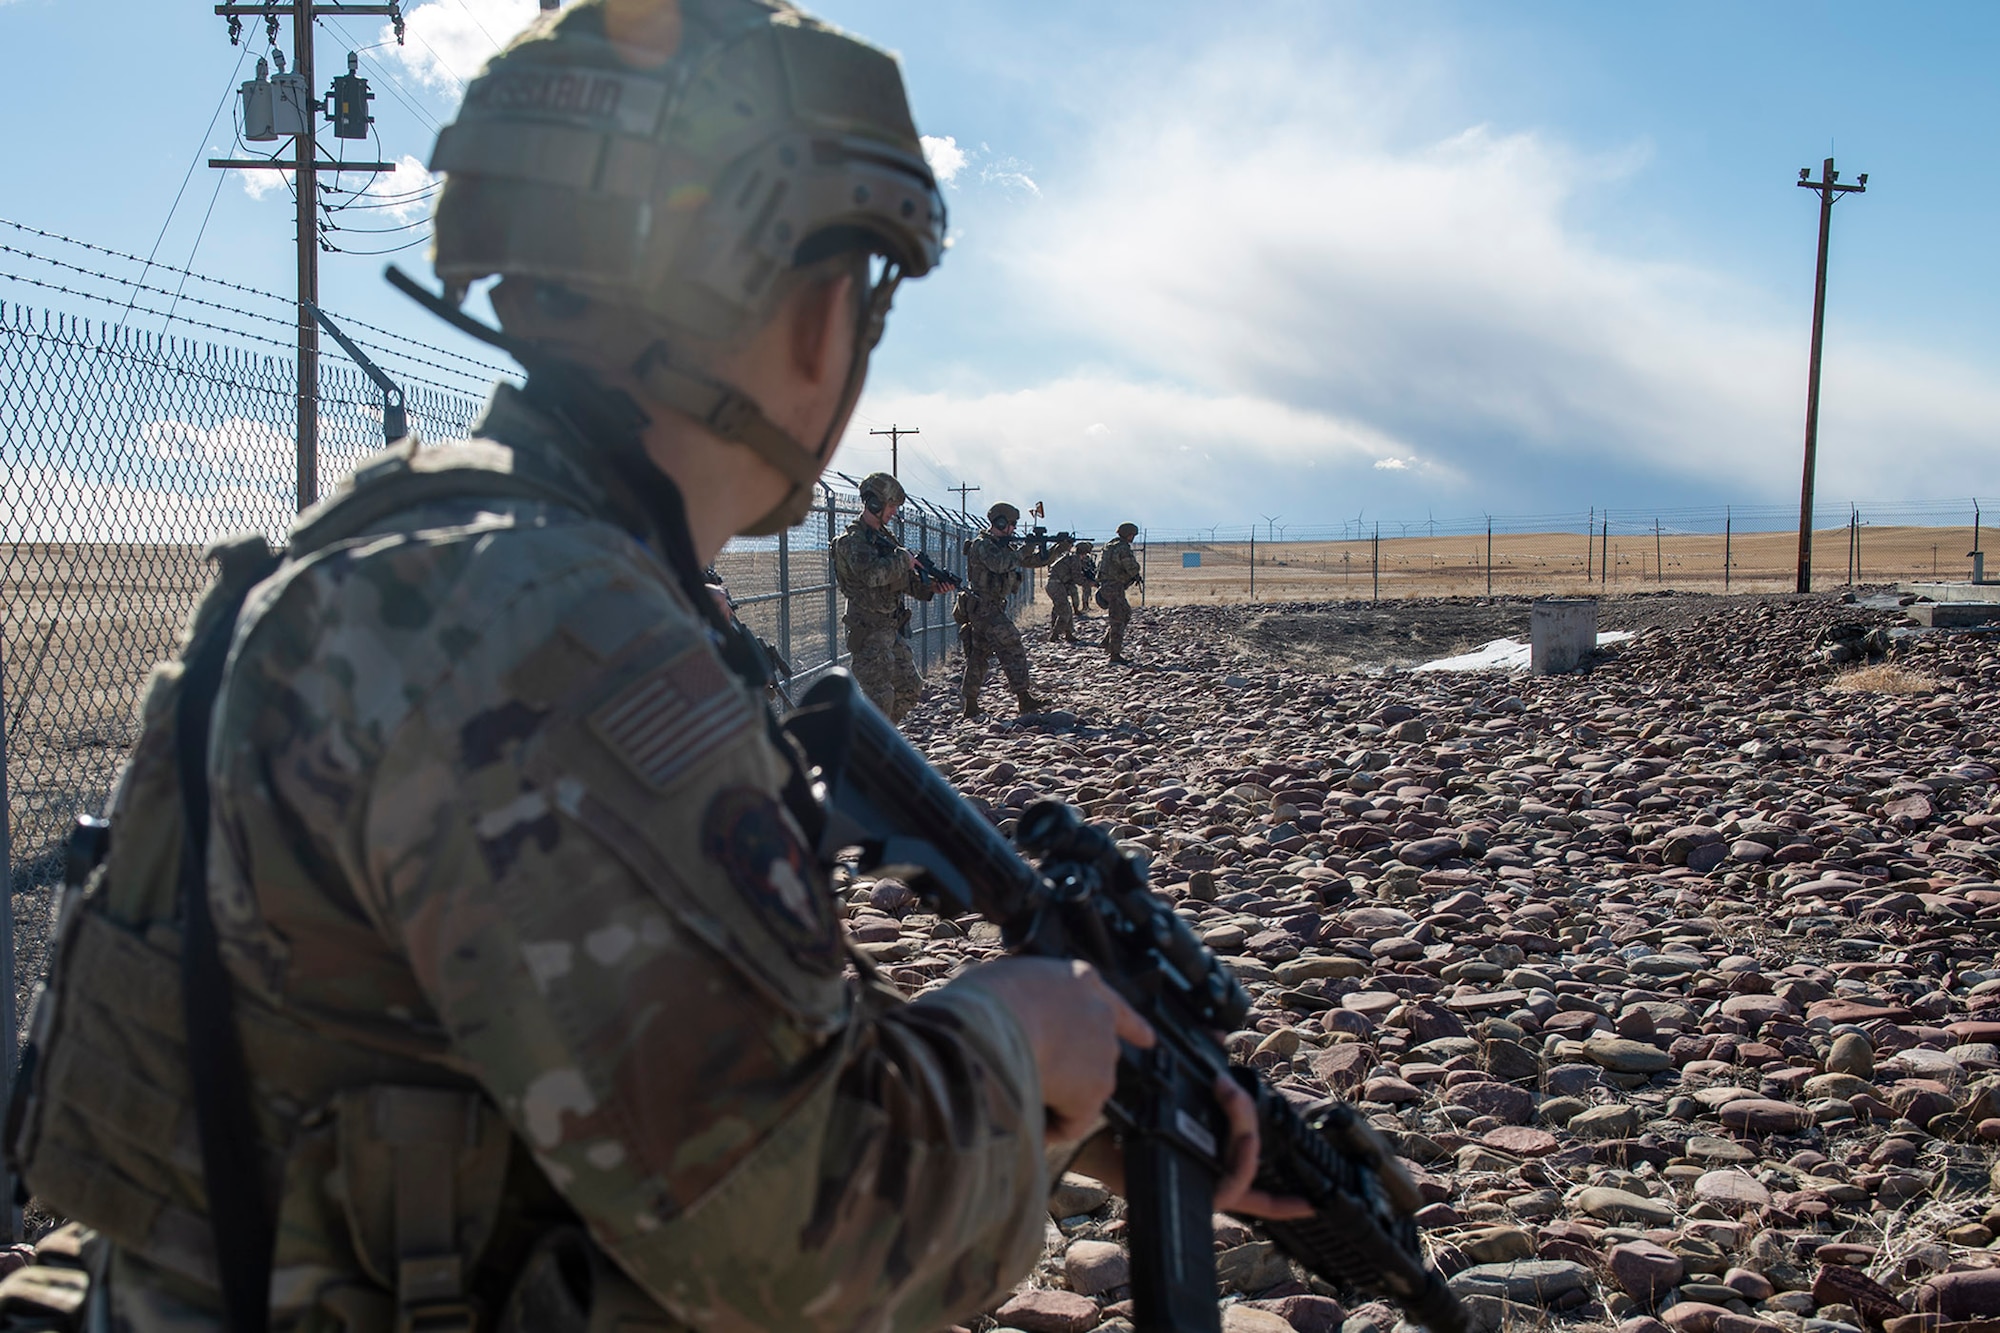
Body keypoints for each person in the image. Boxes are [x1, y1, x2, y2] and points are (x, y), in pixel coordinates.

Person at [8, 5, 1290, 1328]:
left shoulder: (428, 556)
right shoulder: (551, 629)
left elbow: (565, 1048)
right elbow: (799, 1256)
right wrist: (1020, 1045)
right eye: (867, 291)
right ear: (811, 311)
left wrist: (1076, 1104)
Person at [831, 471, 941, 723]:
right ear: (874, 503)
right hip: (867, 631)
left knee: (910, 687)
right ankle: (863, 751)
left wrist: (931, 587)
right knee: (879, 698)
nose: (893, 512)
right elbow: (872, 575)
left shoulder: (883, 538)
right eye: (891, 506)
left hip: (890, 629)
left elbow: (898, 581)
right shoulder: (852, 541)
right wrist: (903, 559)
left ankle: (878, 742)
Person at [961, 502, 1069, 718]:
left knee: (979, 654)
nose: (1013, 529)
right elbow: (1001, 564)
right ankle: (1023, 698)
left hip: (987, 608)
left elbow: (1031, 561)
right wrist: (1027, 547)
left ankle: (970, 704)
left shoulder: (1002, 545)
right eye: (1010, 524)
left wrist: (1058, 549)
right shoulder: (982, 545)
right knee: (1012, 645)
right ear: (999, 522)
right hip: (984, 606)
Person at [1100, 521, 1144, 664]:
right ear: (1128, 535)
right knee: (1118, 618)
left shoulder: (1109, 545)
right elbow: (1131, 567)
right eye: (1132, 535)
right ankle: (1114, 653)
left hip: (1107, 585)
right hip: (1114, 586)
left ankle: (1107, 641)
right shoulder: (1122, 548)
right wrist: (1135, 572)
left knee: (1125, 614)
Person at [1044, 538, 1083, 643]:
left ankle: (1069, 634)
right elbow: (1077, 577)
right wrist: (1088, 583)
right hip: (1056, 585)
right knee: (1064, 611)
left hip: (1055, 585)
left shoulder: (1069, 558)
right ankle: (1055, 635)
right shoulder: (1074, 559)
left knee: (1065, 609)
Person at [1072, 538, 1099, 618]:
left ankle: (1086, 606)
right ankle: (1083, 607)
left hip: (1085, 577)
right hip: (1079, 577)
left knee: (1087, 590)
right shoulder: (1075, 559)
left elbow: (1091, 567)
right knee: (1081, 591)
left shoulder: (1087, 558)